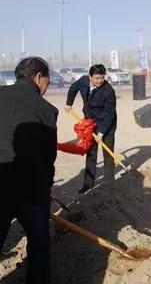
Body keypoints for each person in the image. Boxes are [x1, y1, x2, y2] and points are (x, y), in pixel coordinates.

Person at [0, 57, 57, 284]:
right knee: (39, 243)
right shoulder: (46, 110)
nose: (47, 87)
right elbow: (48, 157)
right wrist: (46, 189)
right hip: (30, 188)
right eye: (48, 82)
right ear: (38, 76)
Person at [65, 64, 117, 193]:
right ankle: (88, 185)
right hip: (90, 122)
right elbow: (73, 88)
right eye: (97, 78)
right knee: (91, 153)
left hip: (107, 123)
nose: (100, 81)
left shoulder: (108, 91)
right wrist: (69, 103)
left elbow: (110, 115)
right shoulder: (83, 81)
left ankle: (109, 184)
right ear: (90, 77)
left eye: (102, 77)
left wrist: (101, 133)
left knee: (108, 154)